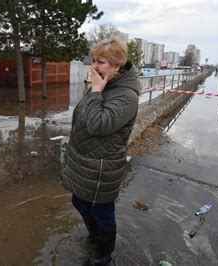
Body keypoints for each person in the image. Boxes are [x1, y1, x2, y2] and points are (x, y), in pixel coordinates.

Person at [59, 37, 141, 265]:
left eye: (101, 62)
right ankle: (94, 236)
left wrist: (95, 91)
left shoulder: (126, 95)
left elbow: (99, 125)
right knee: (79, 202)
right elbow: (83, 115)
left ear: (117, 66)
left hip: (102, 166)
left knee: (103, 213)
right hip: (85, 158)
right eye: (93, 60)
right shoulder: (105, 83)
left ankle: (103, 255)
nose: (94, 66)